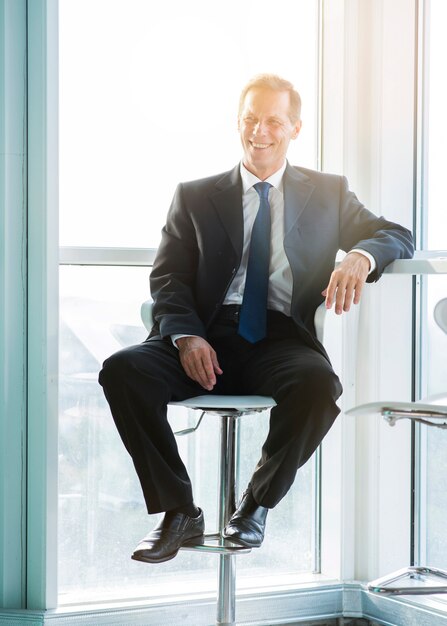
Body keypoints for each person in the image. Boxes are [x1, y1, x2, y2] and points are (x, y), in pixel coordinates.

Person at [99, 74, 413, 564]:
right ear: (237, 124)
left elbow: (396, 233)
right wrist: (186, 337)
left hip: (280, 337)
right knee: (123, 369)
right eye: (250, 119)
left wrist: (361, 255)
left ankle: (254, 506)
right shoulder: (195, 195)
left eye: (273, 121)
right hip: (204, 334)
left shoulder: (328, 193)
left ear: (295, 128)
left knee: (317, 386)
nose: (259, 131)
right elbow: (168, 279)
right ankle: (179, 511)